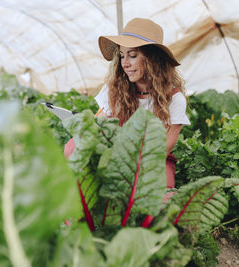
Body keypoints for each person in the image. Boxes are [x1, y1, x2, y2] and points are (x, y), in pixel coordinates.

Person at [65, 17, 190, 188]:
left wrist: (132, 165)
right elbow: (99, 126)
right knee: (74, 145)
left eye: (132, 55)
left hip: (152, 162)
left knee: (161, 197)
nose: (125, 63)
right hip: (116, 156)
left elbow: (164, 149)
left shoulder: (174, 98)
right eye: (122, 55)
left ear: (153, 59)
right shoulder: (113, 89)